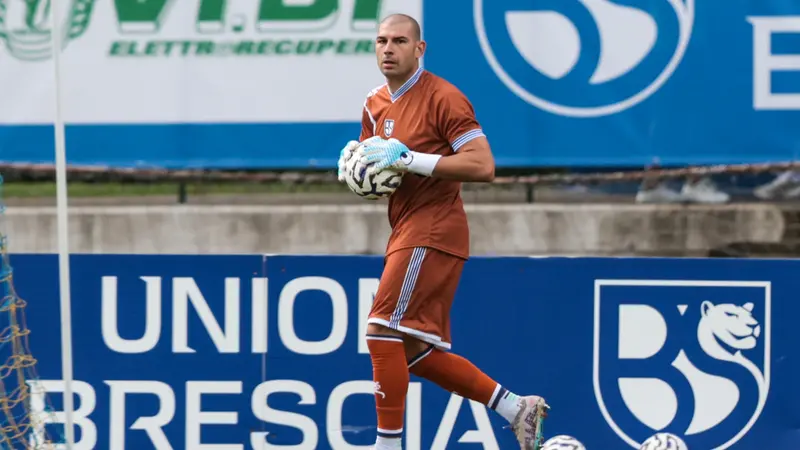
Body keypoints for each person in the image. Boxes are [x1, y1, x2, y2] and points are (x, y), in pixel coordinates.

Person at [337, 13, 549, 450]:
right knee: (411, 351)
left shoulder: (444, 97)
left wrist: (409, 158)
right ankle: (515, 408)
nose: (388, 49)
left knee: (380, 331)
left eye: (399, 40)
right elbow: (382, 172)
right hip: (405, 229)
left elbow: (482, 165)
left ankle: (387, 445)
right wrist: (356, 170)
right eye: (381, 41)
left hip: (434, 229)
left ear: (420, 48)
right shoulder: (374, 103)